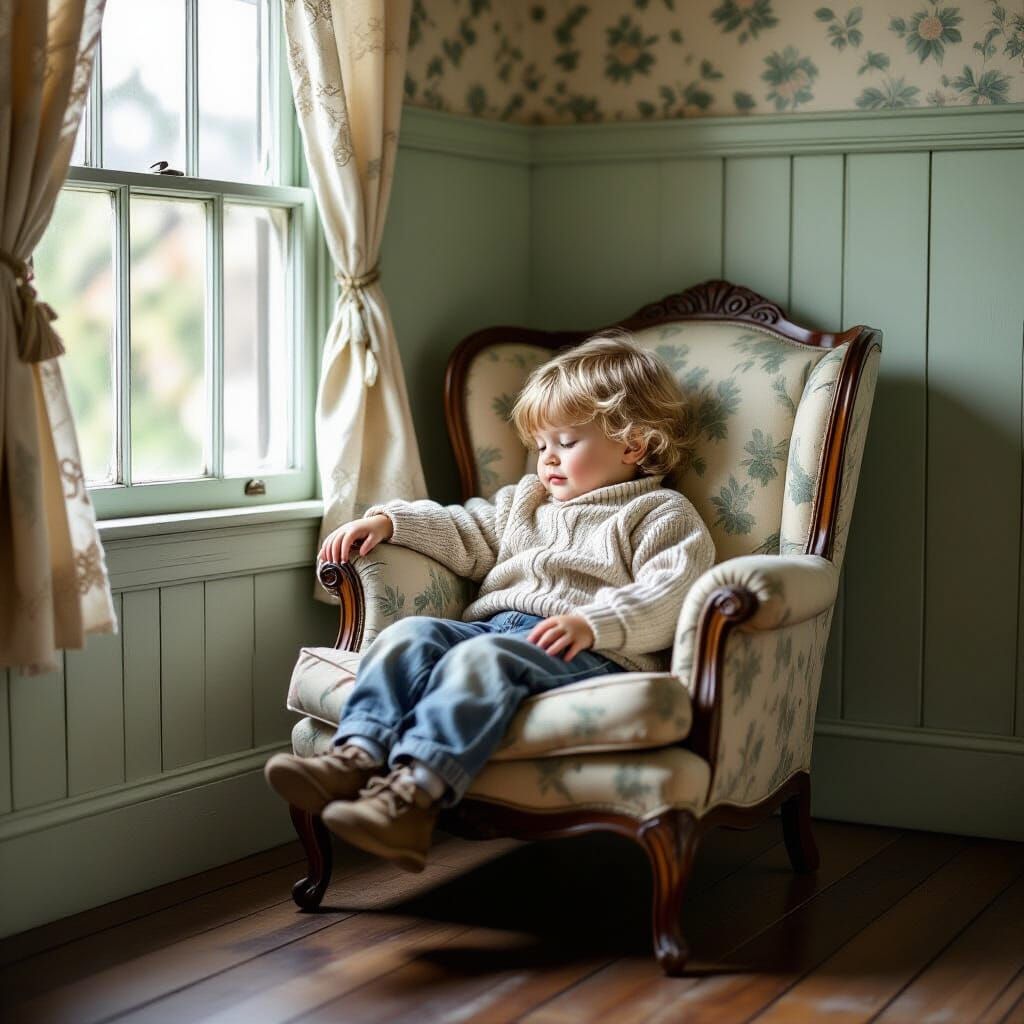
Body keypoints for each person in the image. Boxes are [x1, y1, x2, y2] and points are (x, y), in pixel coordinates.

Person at [264, 330, 716, 873]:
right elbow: (466, 527)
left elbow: (669, 592)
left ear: (633, 444)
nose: (547, 459)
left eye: (566, 443)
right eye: (541, 445)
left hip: (583, 652)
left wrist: (593, 624)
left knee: (482, 659)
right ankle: (356, 757)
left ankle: (413, 798)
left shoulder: (661, 514)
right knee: (411, 635)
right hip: (495, 628)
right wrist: (391, 520)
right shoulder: (527, 500)